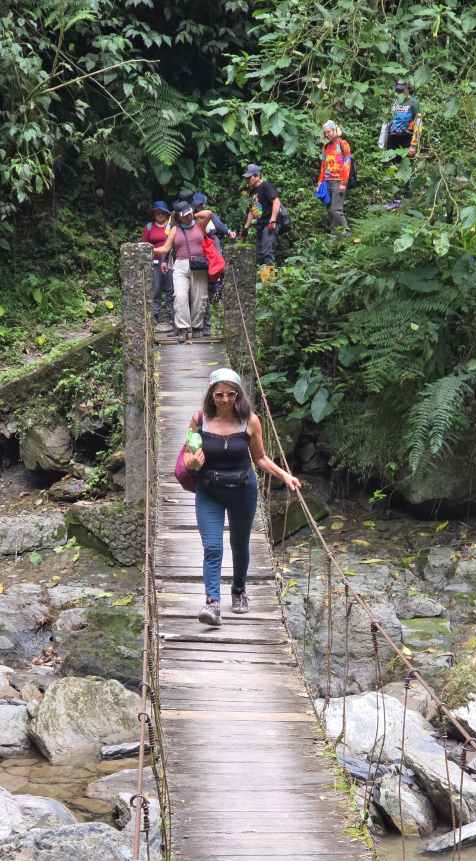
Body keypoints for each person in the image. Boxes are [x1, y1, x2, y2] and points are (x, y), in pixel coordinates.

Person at [182, 367, 301, 626]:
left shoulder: (251, 421)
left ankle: (238, 590)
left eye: (231, 394)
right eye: (219, 395)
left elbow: (260, 458)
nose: (225, 400)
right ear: (211, 396)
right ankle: (212, 604)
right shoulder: (199, 420)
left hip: (242, 491)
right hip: (209, 491)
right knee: (212, 547)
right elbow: (188, 453)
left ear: (238, 395)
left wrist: (285, 476)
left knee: (240, 545)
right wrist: (191, 462)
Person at [154, 200, 210, 342]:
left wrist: (191, 212)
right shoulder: (174, 229)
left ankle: (197, 327)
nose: (188, 217)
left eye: (189, 213)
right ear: (178, 217)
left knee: (199, 297)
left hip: (198, 264)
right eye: (184, 215)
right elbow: (166, 248)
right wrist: (151, 249)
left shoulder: (200, 224)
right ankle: (184, 328)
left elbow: (209, 213)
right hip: (180, 265)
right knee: (180, 296)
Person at [192, 192, 236, 335]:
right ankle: (202, 325)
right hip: (201, 256)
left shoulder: (206, 218)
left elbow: (217, 223)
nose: (199, 207)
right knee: (200, 292)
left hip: (211, 255)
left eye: (200, 204)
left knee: (211, 289)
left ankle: (209, 326)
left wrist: (228, 231)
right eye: (197, 205)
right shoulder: (191, 221)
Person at [384, 81, 421, 209]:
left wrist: (414, 144)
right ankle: (395, 199)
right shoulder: (395, 101)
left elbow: (419, 122)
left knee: (406, 168)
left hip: (407, 138)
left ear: (407, 89)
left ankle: (407, 199)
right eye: (397, 90)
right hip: (393, 137)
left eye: (401, 90)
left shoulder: (414, 103)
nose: (399, 92)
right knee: (392, 167)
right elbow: (390, 120)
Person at [141, 201, 174, 332]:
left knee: (171, 290)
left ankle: (172, 319)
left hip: (170, 261)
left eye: (162, 212)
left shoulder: (172, 227)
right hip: (154, 262)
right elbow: (144, 245)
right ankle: (154, 320)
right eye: (157, 212)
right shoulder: (149, 227)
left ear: (166, 214)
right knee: (155, 290)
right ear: (154, 214)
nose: (159, 214)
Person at [240, 164, 281, 266]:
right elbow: (253, 211)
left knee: (267, 253)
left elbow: (276, 201)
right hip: (261, 225)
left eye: (249, 178)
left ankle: (269, 281)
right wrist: (246, 228)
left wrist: (273, 220)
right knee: (259, 255)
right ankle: (263, 280)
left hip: (269, 225)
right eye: (246, 178)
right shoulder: (253, 191)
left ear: (257, 176)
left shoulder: (266, 186)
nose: (247, 180)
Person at [318, 121, 352, 231]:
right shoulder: (326, 147)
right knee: (329, 209)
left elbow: (347, 163)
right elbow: (323, 165)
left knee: (336, 210)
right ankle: (335, 234)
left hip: (338, 181)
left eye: (329, 132)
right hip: (327, 181)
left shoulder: (343, 144)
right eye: (325, 132)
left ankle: (346, 233)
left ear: (334, 130)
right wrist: (320, 182)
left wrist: (344, 183)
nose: (327, 134)